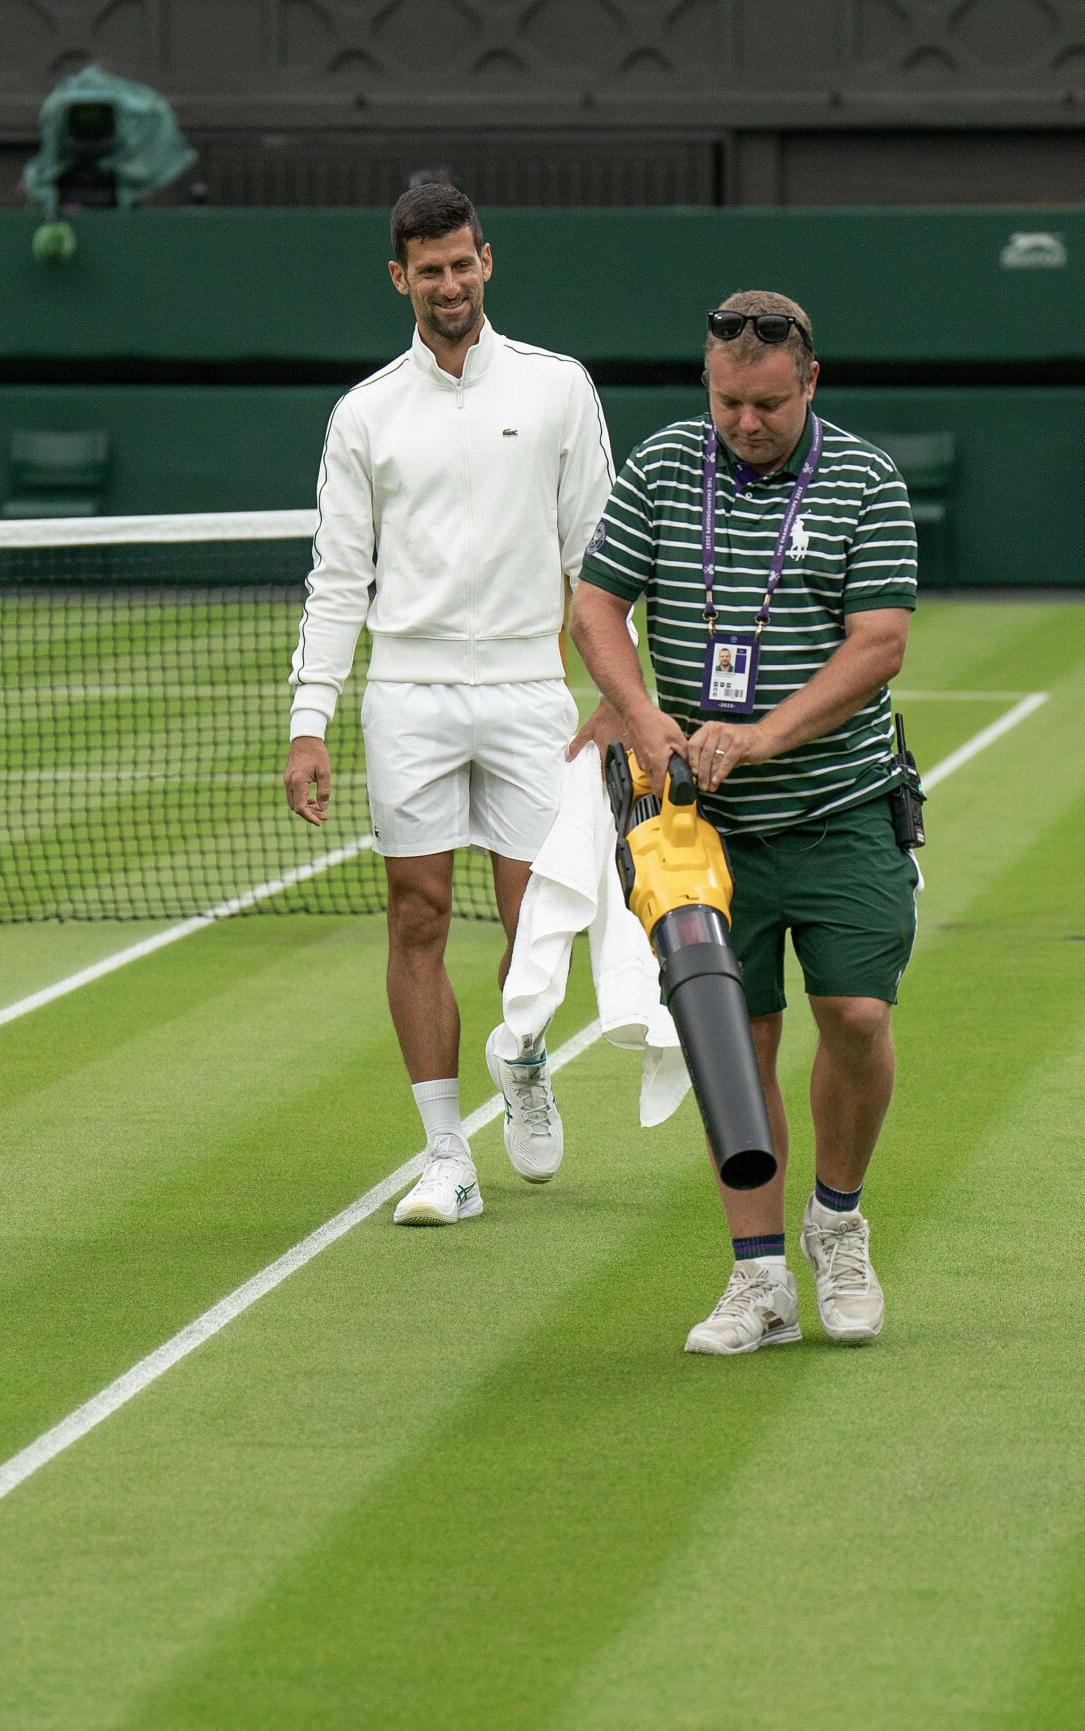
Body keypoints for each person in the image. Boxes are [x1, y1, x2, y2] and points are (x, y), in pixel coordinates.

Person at [568, 290, 918, 1355]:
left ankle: (838, 1225)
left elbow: (877, 644)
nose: (744, 425)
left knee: (855, 1017)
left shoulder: (865, 481)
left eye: (766, 405)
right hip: (698, 830)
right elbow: (595, 608)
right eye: (727, 402)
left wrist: (761, 735)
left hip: (840, 806)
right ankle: (758, 1277)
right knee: (739, 1042)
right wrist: (643, 717)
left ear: (808, 382)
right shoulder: (666, 466)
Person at [283, 183, 613, 1225]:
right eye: (428, 270)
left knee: (534, 915)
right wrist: (309, 719)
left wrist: (617, 697)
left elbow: (594, 560)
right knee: (415, 913)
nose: (448, 283)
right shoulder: (366, 413)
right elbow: (338, 577)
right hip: (408, 692)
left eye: (461, 263)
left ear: (485, 261)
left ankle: (520, 1062)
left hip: (528, 690)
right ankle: (445, 1156)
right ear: (401, 279)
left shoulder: (559, 388)